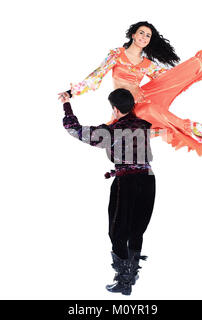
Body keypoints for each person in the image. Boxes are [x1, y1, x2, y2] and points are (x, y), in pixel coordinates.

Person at [58, 21, 202, 156]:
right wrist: (71, 93)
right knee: (143, 132)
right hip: (124, 106)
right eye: (141, 33)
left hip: (143, 100)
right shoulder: (117, 54)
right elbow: (97, 75)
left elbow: (172, 78)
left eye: (148, 35)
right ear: (133, 34)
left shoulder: (147, 64)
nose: (144, 37)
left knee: (158, 119)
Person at [61, 88, 155, 296]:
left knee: (118, 232)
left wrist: (66, 105)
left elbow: (74, 129)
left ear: (114, 108)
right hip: (148, 180)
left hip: (127, 182)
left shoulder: (111, 131)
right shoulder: (144, 125)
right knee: (137, 229)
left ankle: (124, 281)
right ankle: (131, 274)